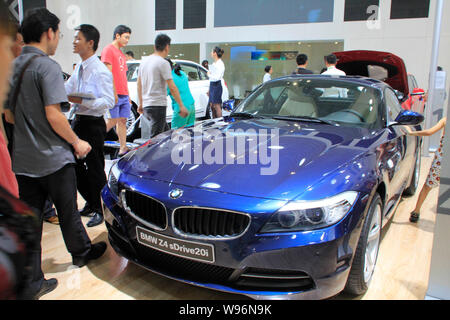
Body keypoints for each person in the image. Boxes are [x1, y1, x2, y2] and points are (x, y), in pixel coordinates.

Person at [5, 8, 107, 299]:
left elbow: (10, 118)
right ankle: (82, 253)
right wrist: (76, 142)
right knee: (67, 210)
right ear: (48, 33)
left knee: (29, 221)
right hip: (52, 157)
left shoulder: (11, 67)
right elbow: (55, 115)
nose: (60, 39)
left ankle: (31, 281)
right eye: (60, 34)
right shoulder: (46, 66)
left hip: (23, 161)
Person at [65, 24, 114, 227]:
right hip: (78, 121)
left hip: (93, 123)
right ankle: (91, 202)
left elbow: (109, 100)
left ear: (90, 43)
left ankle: (100, 209)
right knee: (74, 165)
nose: (74, 42)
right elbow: (66, 90)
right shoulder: (79, 68)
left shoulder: (100, 70)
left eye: (78, 38)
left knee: (95, 168)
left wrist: (85, 101)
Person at [137, 34, 188, 137]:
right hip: (158, 106)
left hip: (147, 106)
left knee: (167, 135)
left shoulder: (144, 62)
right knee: (156, 140)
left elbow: (139, 84)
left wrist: (141, 103)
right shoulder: (162, 63)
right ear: (167, 47)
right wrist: (181, 106)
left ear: (154, 46)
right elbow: (172, 87)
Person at [404, 117, 447, 223]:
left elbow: (429, 132)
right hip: (442, 158)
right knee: (430, 185)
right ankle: (417, 210)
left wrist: (411, 133)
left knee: (428, 185)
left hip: (442, 157)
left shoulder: (446, 120)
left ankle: (416, 210)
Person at [101, 25, 132, 156]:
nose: (127, 40)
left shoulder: (121, 54)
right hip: (114, 93)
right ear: (117, 35)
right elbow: (108, 74)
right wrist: (113, 93)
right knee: (112, 120)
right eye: (126, 37)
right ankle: (92, 141)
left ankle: (123, 147)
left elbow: (123, 76)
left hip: (124, 93)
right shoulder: (108, 50)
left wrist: (128, 95)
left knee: (123, 120)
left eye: (129, 38)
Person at [166, 59, 195, 129]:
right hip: (191, 106)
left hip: (181, 109)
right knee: (190, 133)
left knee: (176, 135)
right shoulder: (182, 73)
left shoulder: (169, 79)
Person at [208, 47, 225, 118]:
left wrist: (209, 74)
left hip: (217, 85)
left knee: (217, 106)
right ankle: (214, 121)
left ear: (215, 53)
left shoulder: (220, 64)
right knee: (212, 105)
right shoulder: (214, 63)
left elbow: (217, 77)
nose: (211, 53)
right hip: (212, 85)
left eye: (212, 51)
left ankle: (220, 123)